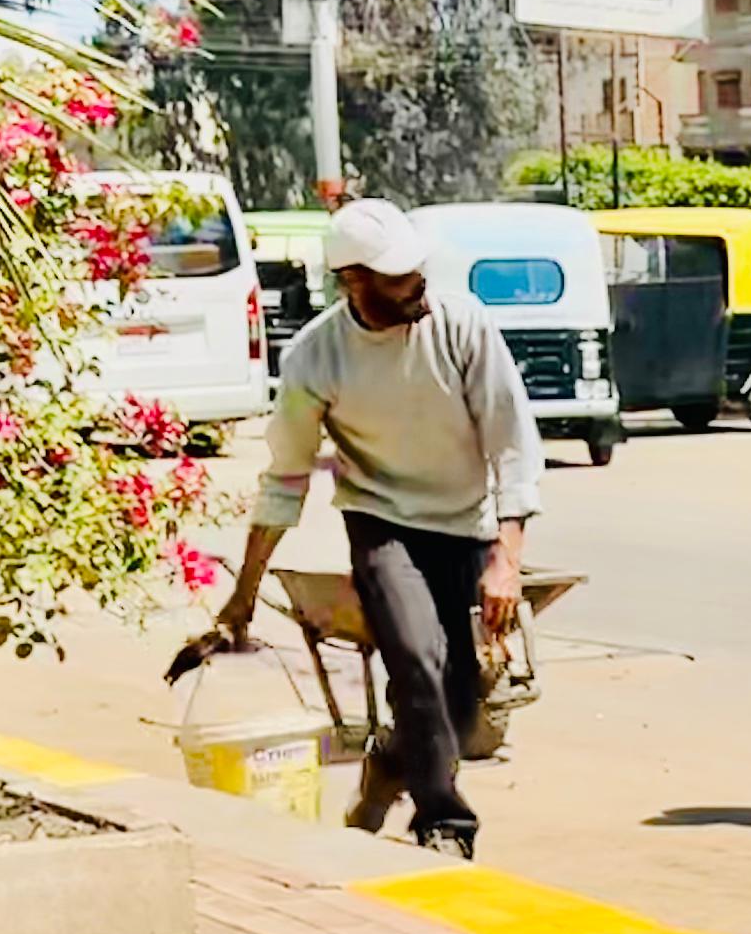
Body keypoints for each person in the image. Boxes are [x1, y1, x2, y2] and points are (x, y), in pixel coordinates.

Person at [214, 198, 542, 860]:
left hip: (468, 525)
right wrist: (244, 591)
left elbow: (512, 444)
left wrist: (506, 559)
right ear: (353, 283)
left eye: (417, 269)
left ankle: (389, 765)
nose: (417, 284)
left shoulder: (464, 325)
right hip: (382, 525)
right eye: (397, 277)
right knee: (417, 663)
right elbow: (286, 478)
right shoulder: (316, 359)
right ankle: (444, 824)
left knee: (460, 705)